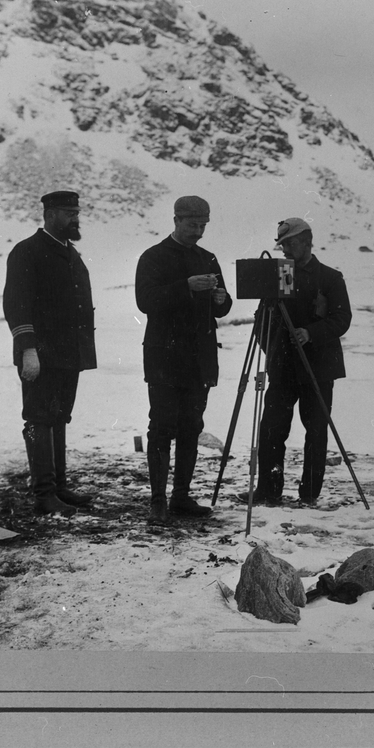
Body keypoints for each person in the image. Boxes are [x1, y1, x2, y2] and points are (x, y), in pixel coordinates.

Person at [242, 218, 352, 507]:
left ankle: (309, 493)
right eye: (282, 245)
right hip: (284, 367)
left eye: (290, 243)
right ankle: (268, 489)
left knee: (316, 429)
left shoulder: (330, 278)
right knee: (272, 427)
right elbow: (264, 320)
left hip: (319, 368)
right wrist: (273, 351)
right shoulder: (279, 274)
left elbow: (342, 319)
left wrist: (310, 333)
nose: (286, 249)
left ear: (307, 240)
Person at [135, 196, 232, 523]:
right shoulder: (153, 257)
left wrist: (221, 299)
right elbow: (145, 301)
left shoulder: (208, 258)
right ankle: (158, 500)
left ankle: (181, 497)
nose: (199, 232)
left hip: (198, 359)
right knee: (161, 427)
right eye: (193, 225)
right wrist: (186, 287)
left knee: (192, 428)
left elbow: (222, 305)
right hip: (164, 358)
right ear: (176, 221)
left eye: (203, 225)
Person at [2, 190, 98, 517]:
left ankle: (58, 487)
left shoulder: (70, 253)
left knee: (58, 417)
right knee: (39, 418)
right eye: (69, 212)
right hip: (41, 354)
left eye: (77, 211)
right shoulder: (27, 252)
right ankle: (43, 494)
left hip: (68, 354)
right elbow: (16, 304)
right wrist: (28, 349)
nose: (76, 217)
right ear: (50, 214)